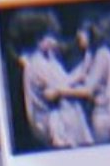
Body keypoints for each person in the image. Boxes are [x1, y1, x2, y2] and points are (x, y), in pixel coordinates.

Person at [16, 22, 93, 152]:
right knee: (70, 111)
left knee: (74, 109)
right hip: (46, 120)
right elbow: (60, 87)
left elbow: (65, 80)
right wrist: (83, 69)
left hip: (56, 113)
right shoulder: (36, 63)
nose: (54, 42)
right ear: (39, 41)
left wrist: (83, 68)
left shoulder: (50, 58)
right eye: (50, 38)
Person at [65, 20, 110, 145]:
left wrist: (60, 91)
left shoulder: (103, 55)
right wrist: (59, 83)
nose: (79, 39)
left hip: (107, 113)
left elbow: (88, 89)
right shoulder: (89, 55)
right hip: (97, 112)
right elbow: (74, 76)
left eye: (81, 34)